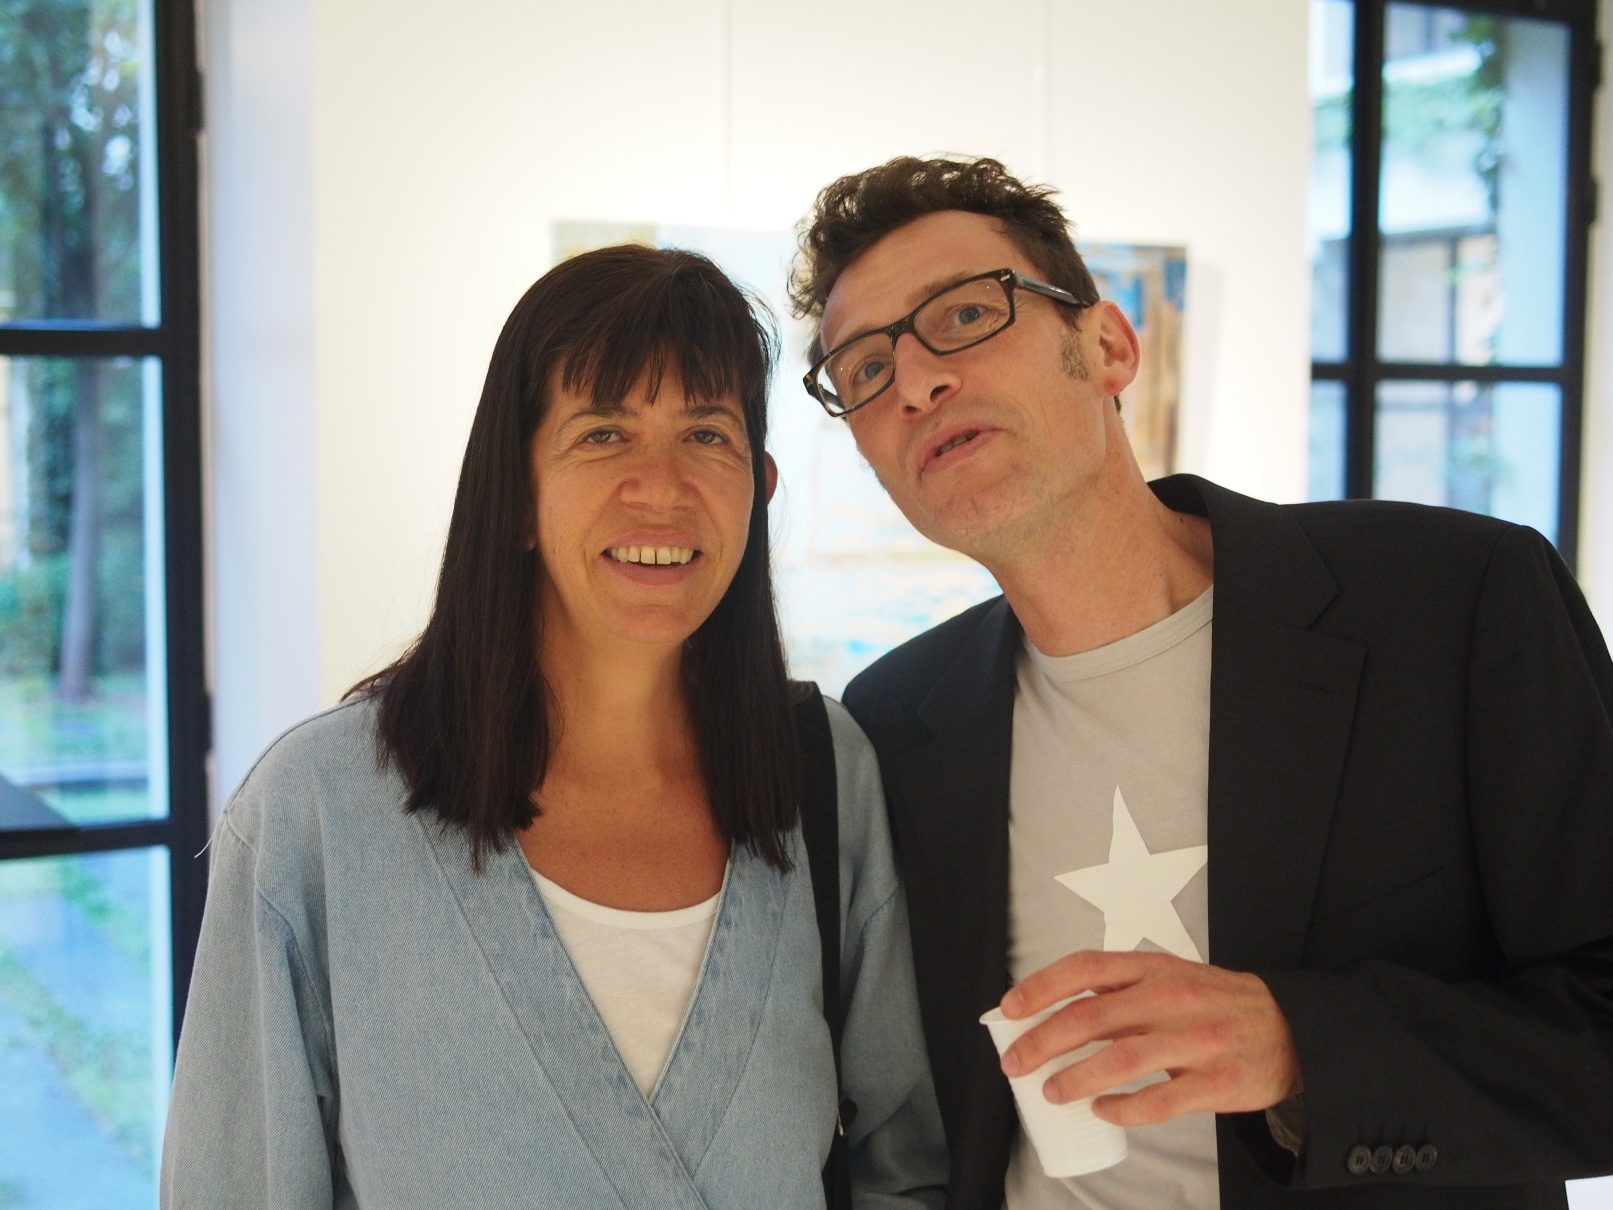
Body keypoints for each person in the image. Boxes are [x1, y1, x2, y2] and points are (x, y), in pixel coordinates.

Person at [788, 156, 1613, 1210]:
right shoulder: (894, 721)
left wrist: (1300, 1046)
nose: (913, 382)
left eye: (962, 315)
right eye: (863, 369)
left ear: (1107, 346)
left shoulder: (1451, 601)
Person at [161, 245, 947, 1210]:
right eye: (603, 434)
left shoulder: (821, 772)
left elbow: (905, 1169)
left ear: (760, 486)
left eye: (707, 434)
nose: (661, 487)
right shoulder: (317, 809)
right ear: (517, 494)